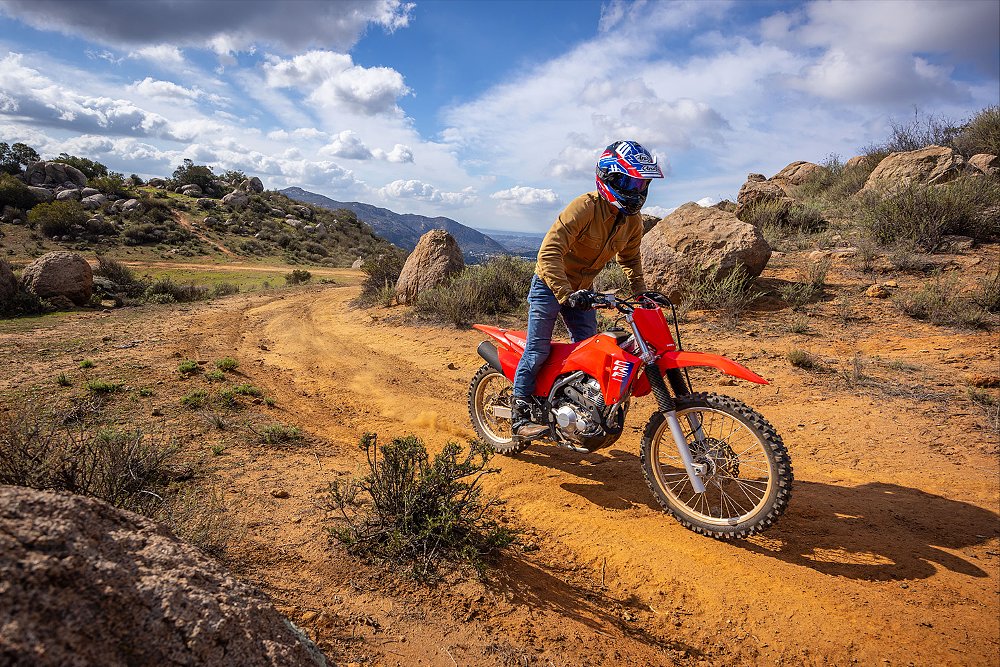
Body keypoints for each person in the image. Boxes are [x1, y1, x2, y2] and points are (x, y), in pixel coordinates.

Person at [511, 140, 664, 438]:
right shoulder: (584, 207)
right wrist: (566, 294)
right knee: (538, 349)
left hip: (583, 291)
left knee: (592, 353)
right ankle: (519, 413)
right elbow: (549, 252)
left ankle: (573, 408)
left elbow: (630, 259)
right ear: (608, 178)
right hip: (550, 284)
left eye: (641, 183)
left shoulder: (632, 222)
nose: (636, 190)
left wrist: (641, 293)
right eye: (629, 181)